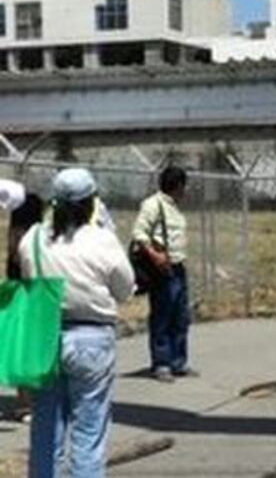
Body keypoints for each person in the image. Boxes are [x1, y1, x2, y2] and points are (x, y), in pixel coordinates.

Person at [18, 168, 134, 478]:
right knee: (89, 430)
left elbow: (27, 276)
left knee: (46, 427)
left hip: (46, 337)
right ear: (91, 203)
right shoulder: (101, 240)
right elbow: (125, 288)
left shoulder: (33, 239)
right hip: (91, 338)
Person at [131, 166, 193, 383]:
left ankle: (178, 361)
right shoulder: (153, 205)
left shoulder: (174, 207)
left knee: (180, 316)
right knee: (162, 316)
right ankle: (162, 363)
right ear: (177, 186)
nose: (186, 190)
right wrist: (154, 255)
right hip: (162, 269)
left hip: (177, 266)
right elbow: (139, 233)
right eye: (184, 185)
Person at [5, 187, 46, 425]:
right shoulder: (36, 237)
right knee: (33, 350)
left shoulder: (14, 236)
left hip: (13, 291)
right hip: (34, 293)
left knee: (19, 350)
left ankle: (23, 403)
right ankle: (31, 403)